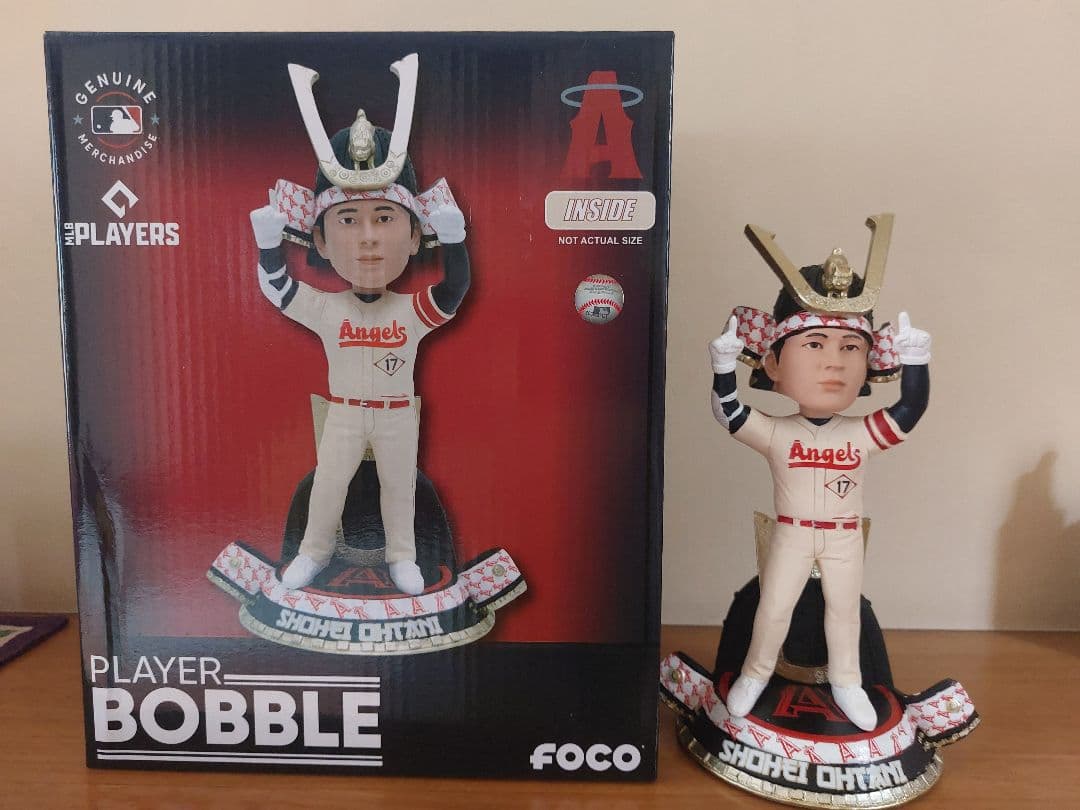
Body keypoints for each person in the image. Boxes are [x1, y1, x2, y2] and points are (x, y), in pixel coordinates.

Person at [248, 121, 468, 596]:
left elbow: (452, 292)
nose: (368, 238)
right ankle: (312, 552)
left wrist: (454, 239)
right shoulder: (329, 307)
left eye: (385, 218)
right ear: (321, 242)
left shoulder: (409, 310)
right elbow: (280, 290)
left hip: (397, 414)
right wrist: (268, 246)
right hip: (345, 412)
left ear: (415, 237)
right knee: (328, 483)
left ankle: (402, 558)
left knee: (400, 487)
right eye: (348, 220)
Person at [708, 260, 930, 731]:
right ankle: (754, 674)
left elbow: (909, 409)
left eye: (851, 347)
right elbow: (730, 414)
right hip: (792, 533)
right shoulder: (778, 431)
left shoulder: (861, 432)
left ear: (868, 364)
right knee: (773, 608)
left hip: (844, 535)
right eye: (814, 344)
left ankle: (848, 684)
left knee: (845, 614)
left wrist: (916, 360)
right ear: (773, 364)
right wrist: (724, 367)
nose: (834, 362)